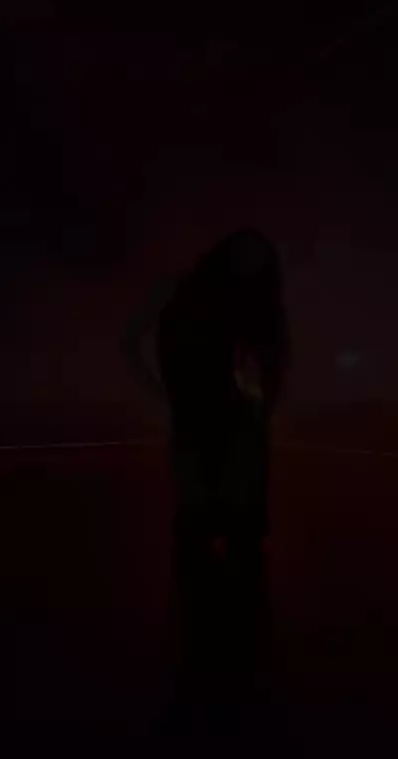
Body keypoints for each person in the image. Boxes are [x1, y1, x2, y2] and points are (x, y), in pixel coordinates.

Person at [122, 228, 290, 546]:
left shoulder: (189, 292)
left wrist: (160, 390)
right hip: (206, 416)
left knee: (214, 526)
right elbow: (129, 343)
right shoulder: (183, 291)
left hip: (210, 416)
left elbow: (130, 343)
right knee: (216, 526)